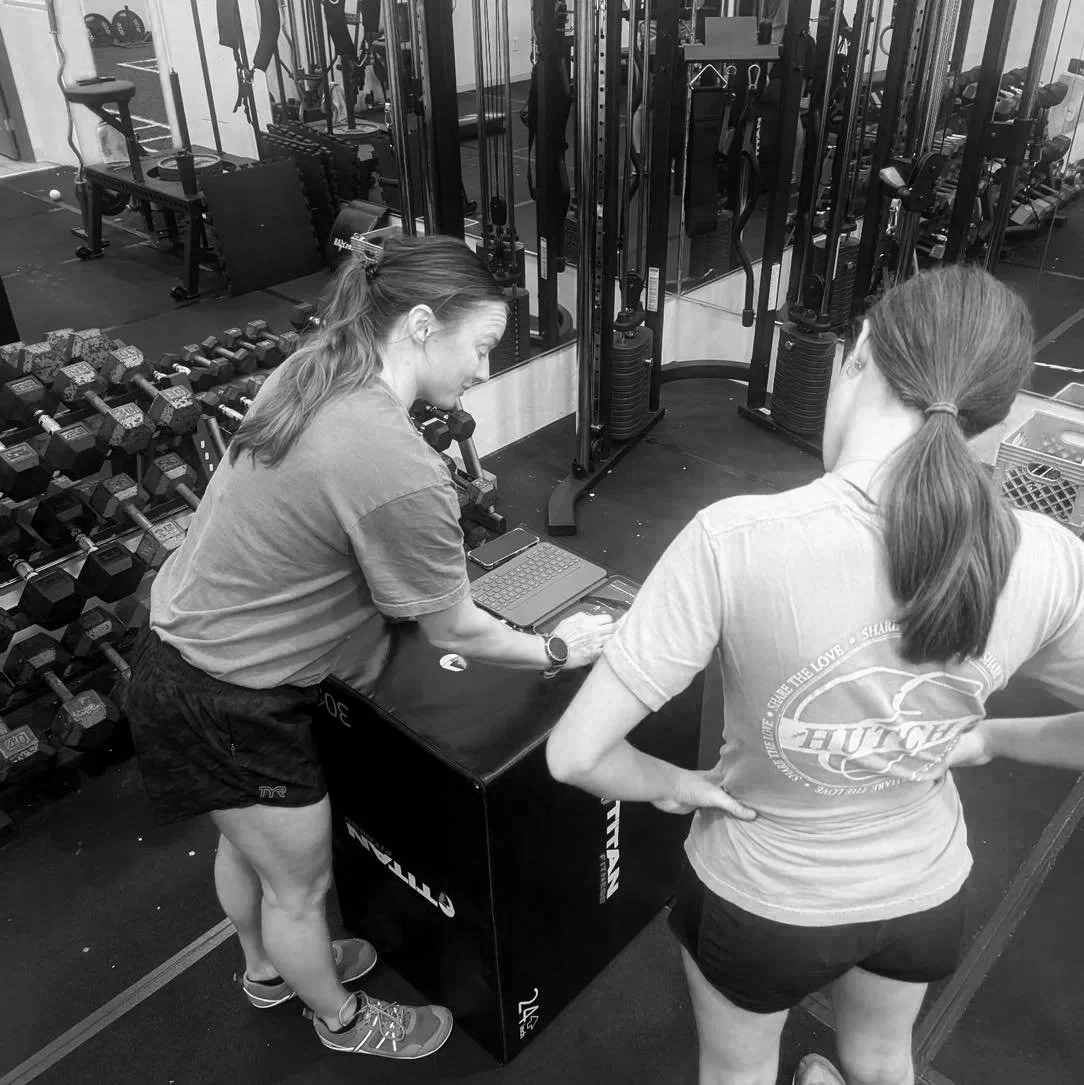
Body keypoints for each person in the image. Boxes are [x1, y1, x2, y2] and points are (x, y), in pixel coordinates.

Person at [545, 264, 1084, 1085]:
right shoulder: (1047, 553)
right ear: (996, 413)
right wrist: (989, 741)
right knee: (879, 1058)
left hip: (763, 899)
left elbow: (575, 755)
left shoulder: (736, 539)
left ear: (859, 352)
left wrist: (672, 785)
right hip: (925, 889)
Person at [123, 235, 614, 1061]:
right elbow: (452, 625)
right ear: (422, 324)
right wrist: (558, 648)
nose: (482, 372)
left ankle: (269, 969)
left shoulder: (315, 367)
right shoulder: (398, 463)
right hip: (232, 698)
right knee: (301, 886)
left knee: (245, 845)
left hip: (174, 654)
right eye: (482, 348)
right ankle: (340, 1017)